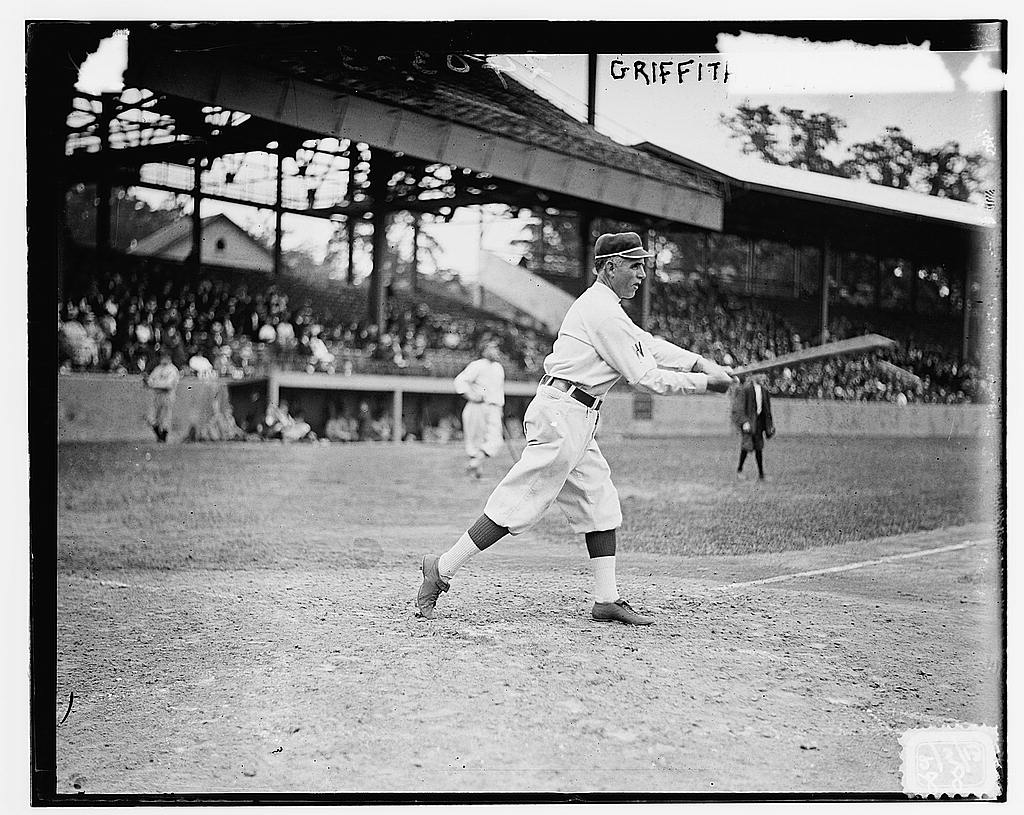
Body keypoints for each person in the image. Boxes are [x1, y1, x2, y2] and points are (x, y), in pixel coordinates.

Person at [416, 232, 735, 626]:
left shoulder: (610, 309)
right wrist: (708, 384)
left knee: (600, 503)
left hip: (578, 415)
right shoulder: (601, 311)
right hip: (562, 413)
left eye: (643, 265)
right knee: (520, 502)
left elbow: (646, 344)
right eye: (634, 265)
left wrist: (699, 363)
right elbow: (646, 376)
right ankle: (442, 569)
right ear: (609, 266)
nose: (641, 273)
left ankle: (606, 600)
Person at [453, 339, 506, 478]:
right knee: (475, 439)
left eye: (497, 348)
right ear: (484, 350)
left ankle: (474, 464)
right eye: (492, 348)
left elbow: (498, 391)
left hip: (494, 407)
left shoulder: (499, 368)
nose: (496, 351)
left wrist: (499, 408)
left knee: (495, 440)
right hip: (477, 406)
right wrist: (471, 395)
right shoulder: (477, 365)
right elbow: (460, 381)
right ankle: (476, 473)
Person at [731, 373, 775, 481]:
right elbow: (739, 408)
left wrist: (770, 426)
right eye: (760, 375)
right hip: (749, 423)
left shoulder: (764, 391)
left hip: (759, 423)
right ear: (754, 376)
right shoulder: (745, 389)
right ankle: (739, 470)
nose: (762, 377)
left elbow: (767, 410)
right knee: (746, 447)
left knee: (759, 448)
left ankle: (761, 474)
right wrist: (744, 422)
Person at [145, 351, 181, 442]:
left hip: (167, 395)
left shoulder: (173, 369)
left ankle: (163, 438)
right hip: (157, 395)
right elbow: (149, 381)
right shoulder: (158, 368)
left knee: (166, 418)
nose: (163, 358)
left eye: (166, 356)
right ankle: (159, 436)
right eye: (162, 356)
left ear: (169, 357)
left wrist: (155, 384)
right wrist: (153, 384)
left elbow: (169, 385)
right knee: (152, 418)